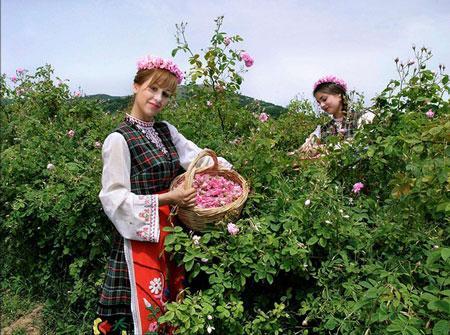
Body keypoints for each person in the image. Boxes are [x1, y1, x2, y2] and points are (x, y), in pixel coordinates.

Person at [93, 55, 231, 335]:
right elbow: (114, 199)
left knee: (173, 302)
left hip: (171, 233)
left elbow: (197, 158)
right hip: (140, 237)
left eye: (166, 94)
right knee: (146, 307)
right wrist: (170, 198)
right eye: (152, 89)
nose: (158, 98)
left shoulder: (166, 131)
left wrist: (228, 173)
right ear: (136, 86)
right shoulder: (119, 139)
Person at [299, 75, 375, 156]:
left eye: (324, 99)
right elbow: (306, 149)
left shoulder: (364, 117)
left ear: (339, 95)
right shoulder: (322, 129)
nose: (322, 105)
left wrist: (322, 148)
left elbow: (362, 143)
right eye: (319, 102)